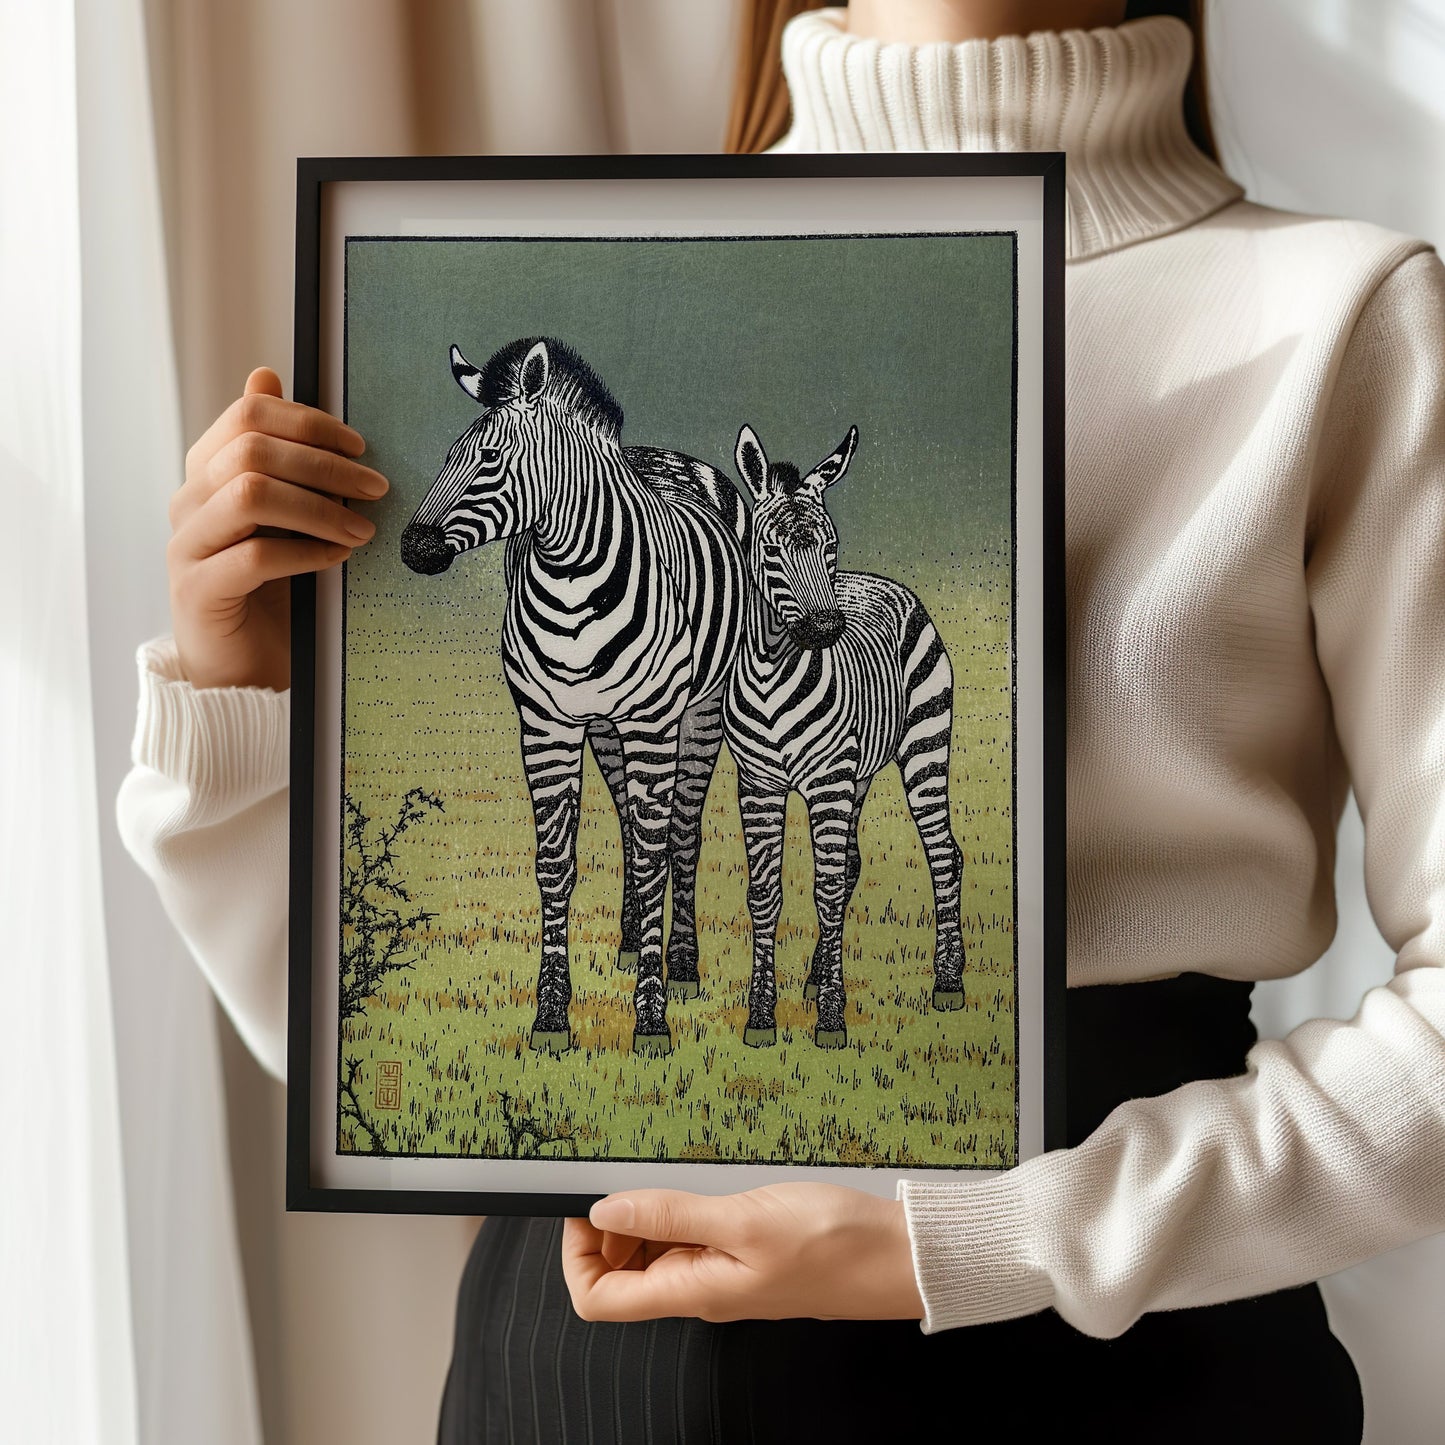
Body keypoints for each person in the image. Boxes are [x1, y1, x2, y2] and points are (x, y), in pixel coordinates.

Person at [116, 1, 1445, 1440]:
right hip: (576, 1357)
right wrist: (233, 675)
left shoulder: (1336, 317)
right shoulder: (579, 287)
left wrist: (986, 1237)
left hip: (1103, 1369)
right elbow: (364, 1047)